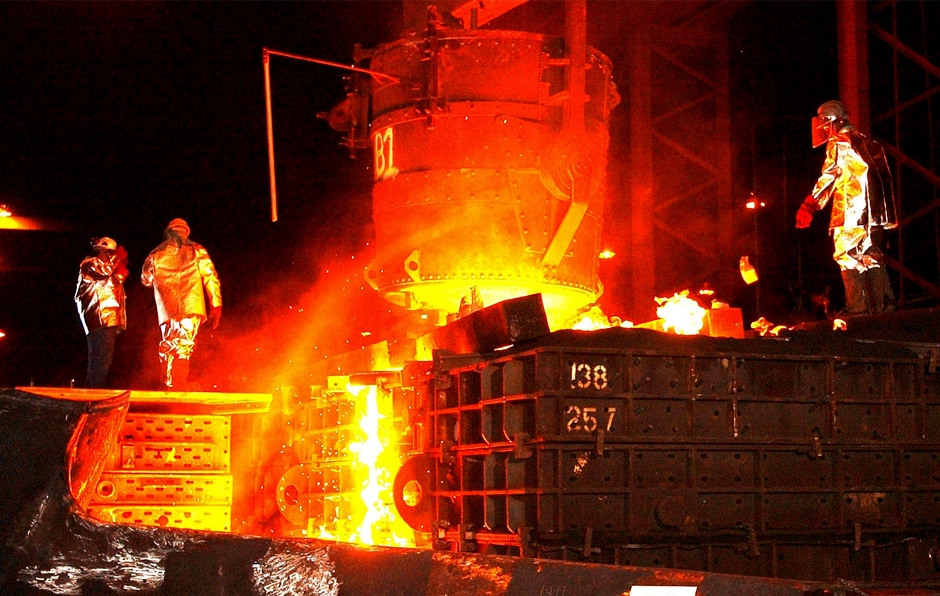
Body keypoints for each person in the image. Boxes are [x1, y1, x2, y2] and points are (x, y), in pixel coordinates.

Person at [796, 100, 898, 316]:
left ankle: (857, 308)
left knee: (847, 256)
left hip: (850, 213)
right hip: (875, 217)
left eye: (823, 123)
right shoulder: (870, 144)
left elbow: (829, 176)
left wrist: (810, 206)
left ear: (830, 122)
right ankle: (884, 305)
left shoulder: (839, 144)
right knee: (872, 256)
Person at [141, 218, 222, 390]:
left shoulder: (156, 253)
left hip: (167, 310)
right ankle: (179, 385)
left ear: (168, 232)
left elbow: (145, 279)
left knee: (168, 346)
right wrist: (216, 305)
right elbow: (210, 277)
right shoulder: (197, 250)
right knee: (183, 346)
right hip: (190, 306)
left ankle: (167, 384)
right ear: (186, 232)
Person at [75, 236, 128, 388]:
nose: (111, 257)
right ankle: (94, 392)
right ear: (101, 251)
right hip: (99, 319)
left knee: (104, 358)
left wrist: (121, 273)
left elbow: (113, 286)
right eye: (110, 253)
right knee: (100, 357)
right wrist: (117, 258)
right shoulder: (89, 264)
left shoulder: (102, 269)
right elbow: (104, 272)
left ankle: (94, 391)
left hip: (108, 319)